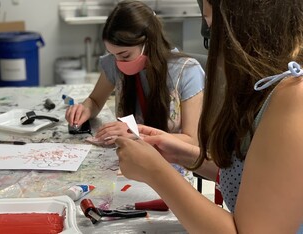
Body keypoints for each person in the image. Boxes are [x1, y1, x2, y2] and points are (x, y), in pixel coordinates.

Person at [115, 0, 303, 232]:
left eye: (212, 25)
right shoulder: (270, 87)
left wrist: (155, 171)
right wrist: (183, 155)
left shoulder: (293, 98)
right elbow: (257, 179)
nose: (210, 41)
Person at [65, 0, 205, 147]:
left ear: (148, 42)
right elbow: (95, 101)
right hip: (131, 155)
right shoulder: (113, 63)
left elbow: (192, 141)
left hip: (173, 161)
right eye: (113, 55)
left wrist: (136, 134)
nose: (118, 62)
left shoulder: (187, 72)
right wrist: (84, 109)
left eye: (125, 55)